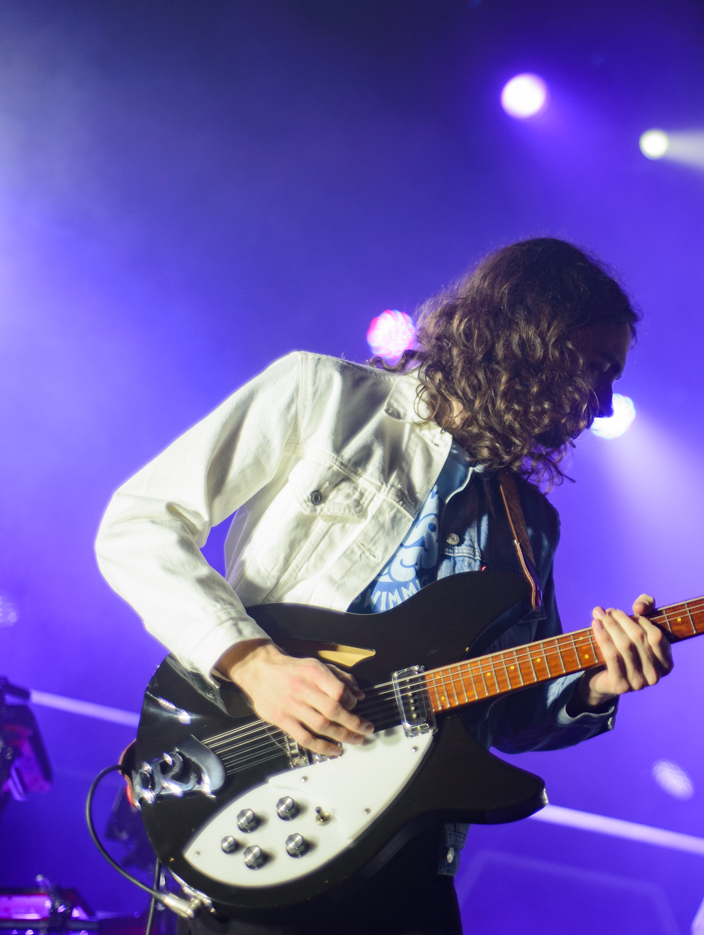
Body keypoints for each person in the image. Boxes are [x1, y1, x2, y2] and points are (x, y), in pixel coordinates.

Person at [94, 238, 674, 935]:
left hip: (405, 856)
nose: (604, 405)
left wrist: (593, 685)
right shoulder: (323, 394)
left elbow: (509, 715)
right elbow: (140, 523)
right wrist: (253, 661)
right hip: (260, 797)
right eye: (596, 369)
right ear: (533, 336)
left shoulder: (531, 525)